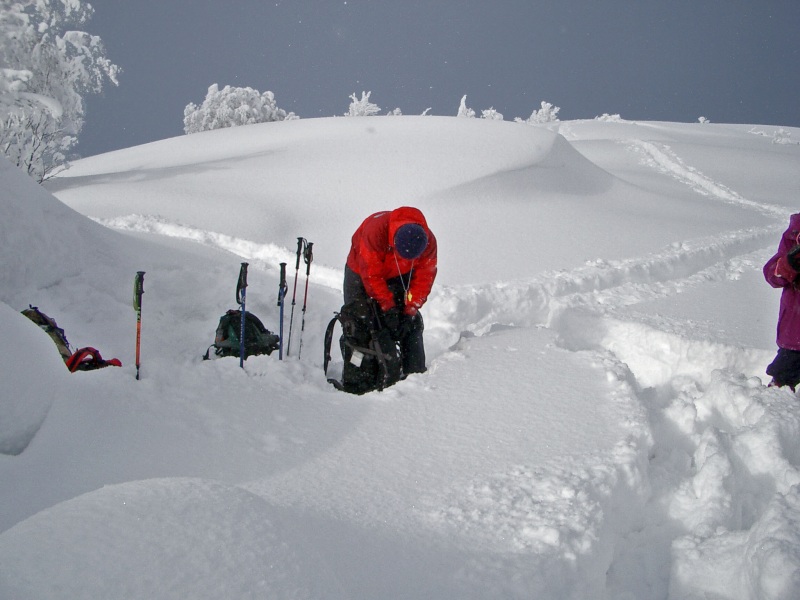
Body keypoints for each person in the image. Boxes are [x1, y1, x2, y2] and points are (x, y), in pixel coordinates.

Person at [344, 206, 437, 375]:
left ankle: (414, 374)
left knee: (410, 324)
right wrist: (387, 308)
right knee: (360, 322)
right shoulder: (375, 233)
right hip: (360, 272)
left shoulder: (428, 241)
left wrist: (410, 310)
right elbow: (371, 275)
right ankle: (361, 374)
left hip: (400, 274)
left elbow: (425, 277)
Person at [763, 212, 800, 392]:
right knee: (780, 390)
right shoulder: (795, 234)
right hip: (796, 335)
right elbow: (771, 274)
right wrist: (786, 266)